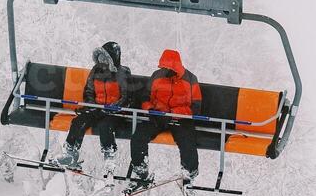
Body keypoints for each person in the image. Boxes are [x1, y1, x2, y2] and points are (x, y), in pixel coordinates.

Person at [127, 48, 203, 187]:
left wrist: (174, 113)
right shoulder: (157, 76)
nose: (165, 70)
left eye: (168, 68)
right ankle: (141, 172)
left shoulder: (190, 80)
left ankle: (189, 177)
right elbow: (145, 97)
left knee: (187, 142)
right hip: (158, 116)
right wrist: (150, 110)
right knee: (138, 137)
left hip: (180, 119)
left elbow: (195, 107)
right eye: (163, 67)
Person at [53, 41, 134, 170]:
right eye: (100, 58)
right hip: (97, 108)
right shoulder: (96, 71)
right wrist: (93, 106)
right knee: (79, 121)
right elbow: (89, 91)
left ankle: (109, 156)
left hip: (115, 112)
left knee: (105, 125)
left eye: (105, 58)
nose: (102, 62)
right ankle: (70, 153)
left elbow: (126, 96)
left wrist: (110, 109)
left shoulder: (123, 73)